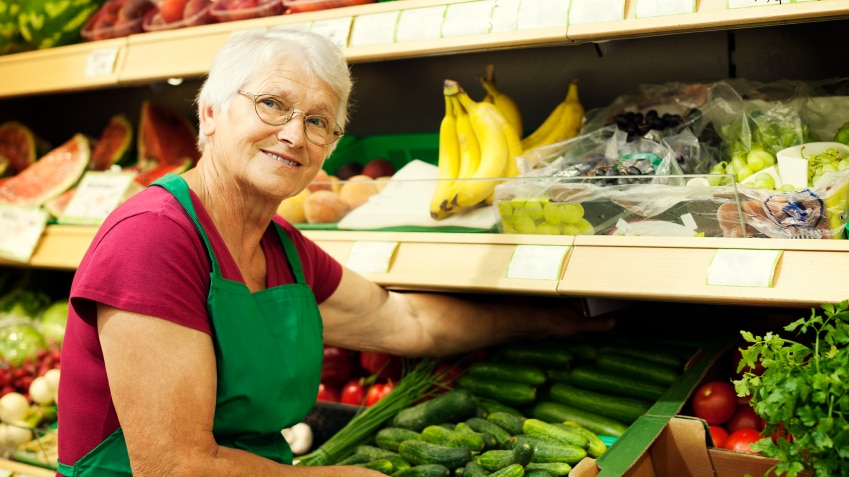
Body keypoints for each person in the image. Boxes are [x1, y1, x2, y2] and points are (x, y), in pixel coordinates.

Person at [56, 26, 614, 476]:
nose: (295, 135)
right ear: (209, 113)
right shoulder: (153, 237)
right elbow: (175, 466)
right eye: (272, 104)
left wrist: (545, 321)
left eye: (318, 121)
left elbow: (406, 320)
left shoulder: (282, 248)